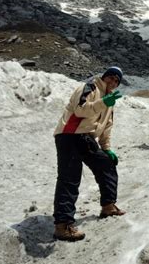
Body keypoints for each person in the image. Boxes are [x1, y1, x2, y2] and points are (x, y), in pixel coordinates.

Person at [53, 66, 126, 242]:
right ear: (105, 76)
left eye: (117, 80)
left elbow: (107, 126)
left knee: (106, 164)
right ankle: (63, 225)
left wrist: (106, 148)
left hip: (86, 138)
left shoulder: (110, 100)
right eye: (111, 77)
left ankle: (108, 205)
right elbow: (80, 109)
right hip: (70, 135)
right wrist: (103, 102)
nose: (113, 81)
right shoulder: (90, 87)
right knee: (69, 178)